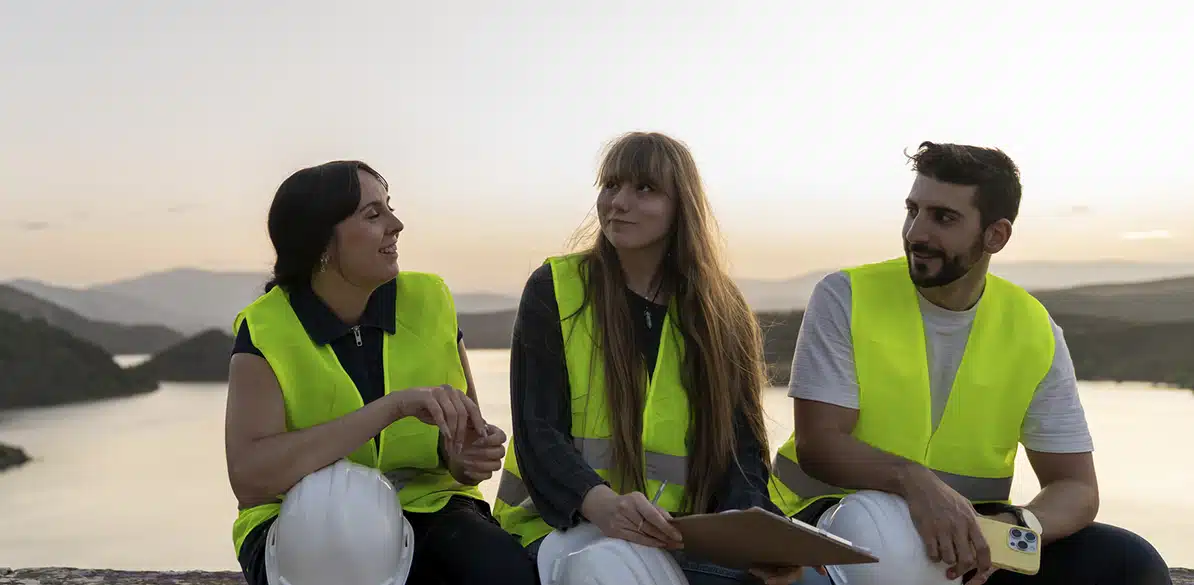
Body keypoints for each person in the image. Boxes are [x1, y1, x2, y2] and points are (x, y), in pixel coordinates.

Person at [768, 142, 1172, 584]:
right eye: (913, 210)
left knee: (1128, 562)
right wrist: (913, 480)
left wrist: (1017, 530)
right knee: (886, 549)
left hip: (969, 546)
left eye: (943, 218)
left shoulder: (1033, 328)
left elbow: (1075, 487)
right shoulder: (845, 296)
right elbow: (819, 443)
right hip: (829, 525)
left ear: (995, 236)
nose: (916, 233)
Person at [490, 132, 823, 585]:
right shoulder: (554, 288)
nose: (618, 202)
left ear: (679, 205)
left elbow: (741, 452)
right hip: (560, 526)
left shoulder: (722, 311)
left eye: (643, 189)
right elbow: (537, 429)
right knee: (610, 569)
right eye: (611, 185)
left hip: (678, 537)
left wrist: (755, 537)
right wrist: (601, 503)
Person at [224, 160, 538, 585]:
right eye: (373, 214)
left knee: (507, 575)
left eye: (389, 208)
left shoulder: (431, 299)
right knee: (350, 528)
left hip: (430, 507)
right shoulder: (266, 329)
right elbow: (252, 477)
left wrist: (464, 458)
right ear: (321, 241)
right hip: (303, 525)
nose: (397, 224)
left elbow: (463, 456)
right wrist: (392, 408)